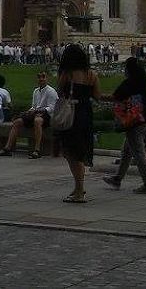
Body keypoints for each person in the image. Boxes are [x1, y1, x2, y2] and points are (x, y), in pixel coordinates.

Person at [102, 57, 146, 194]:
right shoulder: (143, 83)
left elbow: (115, 97)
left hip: (133, 124)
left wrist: (97, 95)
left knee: (138, 154)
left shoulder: (128, 84)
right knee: (127, 151)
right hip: (144, 122)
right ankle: (117, 178)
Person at [55, 44, 99, 203]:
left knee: (72, 152)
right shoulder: (91, 74)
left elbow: (59, 92)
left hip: (72, 115)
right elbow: (97, 95)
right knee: (78, 151)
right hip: (86, 114)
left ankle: (80, 190)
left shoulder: (67, 74)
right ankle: (77, 187)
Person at [0, 71, 58, 158]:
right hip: (36, 113)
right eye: (39, 77)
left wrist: (38, 111)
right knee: (17, 122)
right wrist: (29, 111)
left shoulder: (51, 91)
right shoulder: (36, 91)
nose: (41, 79)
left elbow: (52, 108)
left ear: (47, 78)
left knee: (37, 121)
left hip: (47, 116)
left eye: (43, 77)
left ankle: (37, 150)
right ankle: (7, 148)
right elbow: (33, 106)